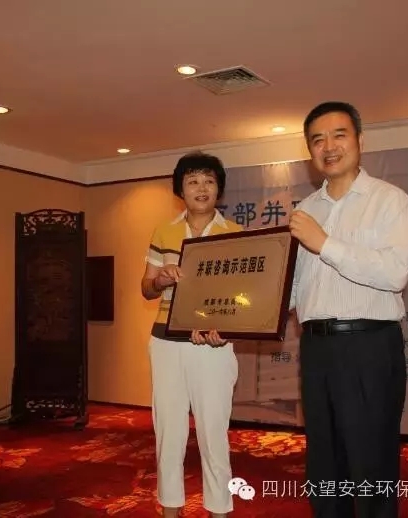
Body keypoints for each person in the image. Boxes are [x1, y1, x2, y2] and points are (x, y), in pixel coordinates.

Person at [289, 101, 408, 518]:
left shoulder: (389, 200)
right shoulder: (305, 211)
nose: (328, 146)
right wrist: (234, 316)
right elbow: (292, 290)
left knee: (372, 461)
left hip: (369, 346)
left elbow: (395, 273)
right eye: (317, 139)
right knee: (324, 462)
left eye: (338, 135)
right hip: (316, 349)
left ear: (360, 140)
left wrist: (325, 243)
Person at [141, 151, 242, 518]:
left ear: (219, 189)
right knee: (169, 433)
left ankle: (219, 510)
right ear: (180, 189)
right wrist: (160, 279)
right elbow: (146, 289)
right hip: (166, 343)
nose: (202, 188)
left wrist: (225, 330)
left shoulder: (236, 235)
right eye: (193, 181)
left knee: (214, 435)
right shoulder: (164, 232)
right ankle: (171, 510)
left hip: (214, 346)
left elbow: (245, 296)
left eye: (209, 181)